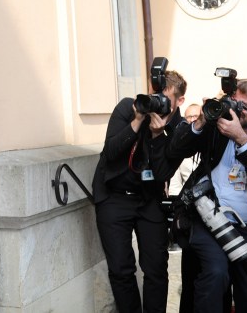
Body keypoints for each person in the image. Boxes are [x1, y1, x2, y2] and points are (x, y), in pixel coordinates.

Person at [166, 78, 247, 313]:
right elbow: (176, 149)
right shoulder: (218, 128)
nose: (237, 110)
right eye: (235, 102)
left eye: (245, 106)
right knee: (215, 273)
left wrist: (241, 138)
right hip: (209, 218)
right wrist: (201, 121)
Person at [92, 70, 187, 313]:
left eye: (165, 99)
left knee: (156, 268)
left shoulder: (178, 128)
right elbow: (111, 152)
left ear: (179, 101)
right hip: (113, 196)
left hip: (149, 199)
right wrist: (136, 122)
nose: (158, 103)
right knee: (121, 269)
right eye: (156, 96)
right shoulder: (129, 108)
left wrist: (157, 136)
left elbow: (162, 173)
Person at [168, 103, 202, 197]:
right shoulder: (179, 147)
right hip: (188, 199)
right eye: (189, 117)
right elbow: (175, 186)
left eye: (196, 116)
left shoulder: (211, 142)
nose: (192, 119)